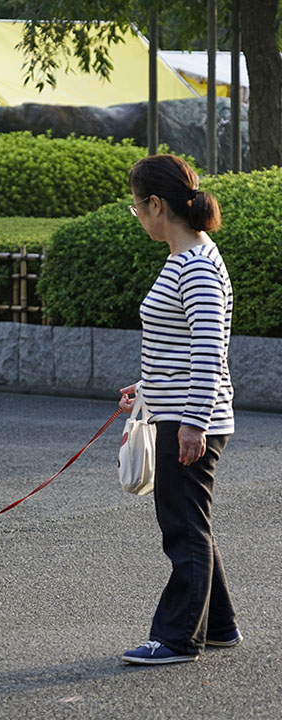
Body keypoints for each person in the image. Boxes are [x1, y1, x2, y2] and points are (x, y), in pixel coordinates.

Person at [118, 154, 242, 665]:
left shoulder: (196, 265)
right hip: (178, 413)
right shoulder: (186, 257)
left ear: (156, 204)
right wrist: (146, 386)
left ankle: (176, 639)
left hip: (192, 421)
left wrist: (192, 423)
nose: (137, 217)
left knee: (183, 528)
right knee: (192, 523)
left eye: (136, 208)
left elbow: (210, 352)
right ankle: (219, 626)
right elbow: (182, 346)